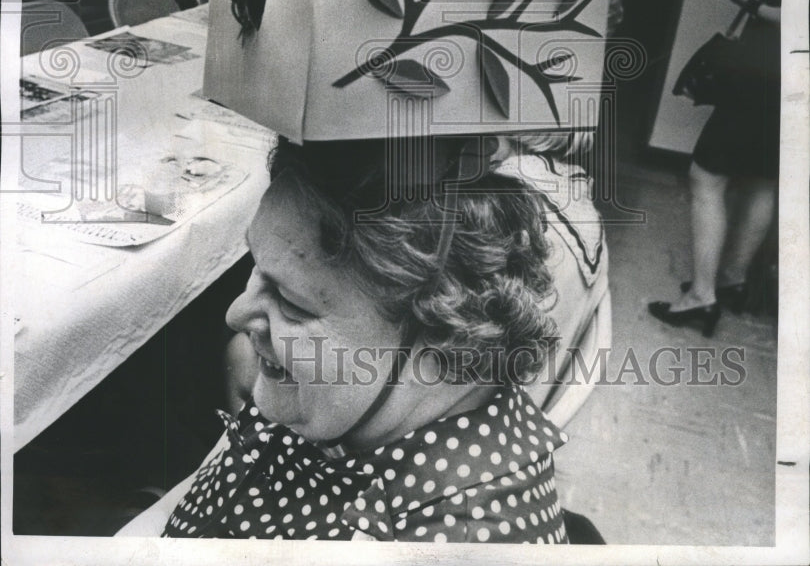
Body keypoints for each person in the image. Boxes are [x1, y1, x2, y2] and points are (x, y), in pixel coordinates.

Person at [119, 131, 608, 543]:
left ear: (444, 337)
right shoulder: (348, 400)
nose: (235, 313)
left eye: (291, 303)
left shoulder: (454, 540)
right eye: (255, 269)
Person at [649, 0, 782, 335]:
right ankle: (731, 282)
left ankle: (701, 298)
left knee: (705, 178)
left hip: (763, 74)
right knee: (762, 180)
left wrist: (750, 3)